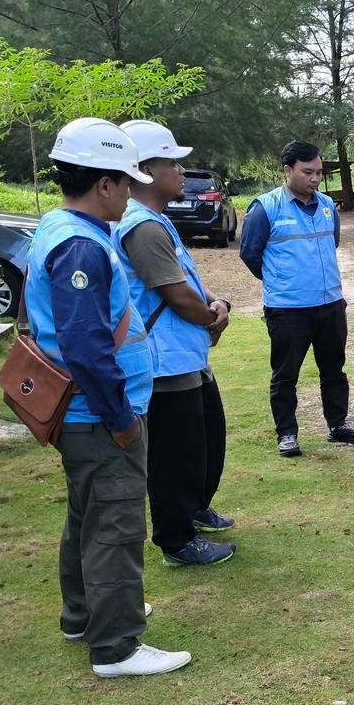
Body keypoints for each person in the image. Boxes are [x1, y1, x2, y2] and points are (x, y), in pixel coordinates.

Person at [25, 118, 190, 677]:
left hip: (82, 413)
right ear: (103, 185)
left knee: (86, 516)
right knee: (116, 524)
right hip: (96, 415)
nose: (129, 191)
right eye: (125, 180)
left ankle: (84, 615)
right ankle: (117, 645)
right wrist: (120, 417)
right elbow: (87, 346)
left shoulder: (57, 228)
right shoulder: (80, 247)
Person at [114, 120, 236, 569]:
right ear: (146, 170)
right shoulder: (141, 227)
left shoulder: (158, 220)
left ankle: (194, 508)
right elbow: (175, 293)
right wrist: (211, 318)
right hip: (163, 361)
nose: (182, 171)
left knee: (206, 437)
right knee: (175, 452)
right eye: (173, 163)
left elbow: (190, 282)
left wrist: (216, 303)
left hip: (185, 354)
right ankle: (176, 539)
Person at [239, 141, 354, 458]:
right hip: (288, 310)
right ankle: (287, 434)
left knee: (334, 369)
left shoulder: (327, 205)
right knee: (286, 374)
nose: (315, 179)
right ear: (288, 170)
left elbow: (331, 245)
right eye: (307, 172)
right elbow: (250, 254)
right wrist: (282, 281)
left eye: (319, 173)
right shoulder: (266, 207)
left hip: (330, 305)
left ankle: (338, 425)